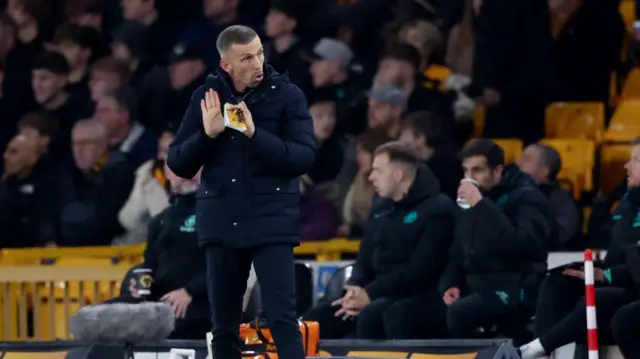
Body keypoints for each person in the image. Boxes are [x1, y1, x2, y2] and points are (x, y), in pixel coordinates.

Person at [167, 25, 315, 359]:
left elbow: (303, 157)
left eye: (260, 52)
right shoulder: (206, 98)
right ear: (227, 65)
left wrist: (254, 133)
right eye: (246, 58)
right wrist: (208, 135)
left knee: (282, 320)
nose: (258, 63)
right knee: (223, 326)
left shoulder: (288, 95)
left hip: (271, 220)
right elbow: (178, 163)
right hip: (221, 219)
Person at [304, 141, 455, 339]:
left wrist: (370, 294)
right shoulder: (380, 208)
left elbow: (420, 269)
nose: (371, 176)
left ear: (398, 174)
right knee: (314, 321)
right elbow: (364, 258)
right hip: (374, 292)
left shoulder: (438, 208)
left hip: (416, 294)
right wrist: (354, 287)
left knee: (376, 314)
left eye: (378, 171)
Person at [521, 138, 640, 359]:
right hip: (620, 273)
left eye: (635, 160)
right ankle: (538, 351)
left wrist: (606, 275)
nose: (627, 166)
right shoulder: (629, 198)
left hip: (632, 282)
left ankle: (534, 349)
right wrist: (598, 270)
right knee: (559, 279)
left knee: (600, 298)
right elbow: (616, 248)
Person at [441, 139, 552, 343]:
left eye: (477, 170)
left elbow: (523, 243)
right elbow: (458, 251)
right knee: (413, 311)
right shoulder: (471, 203)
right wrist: (452, 284)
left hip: (517, 287)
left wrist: (482, 205)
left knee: (461, 313)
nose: (469, 178)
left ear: (498, 170)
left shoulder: (527, 198)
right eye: (465, 171)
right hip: (477, 286)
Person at [104, 165, 210, 339]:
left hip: (201, 305)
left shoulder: (217, 213)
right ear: (167, 173)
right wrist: (138, 286)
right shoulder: (160, 221)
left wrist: (189, 291)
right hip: (161, 305)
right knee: (100, 315)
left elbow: (226, 263)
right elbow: (149, 266)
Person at [518, 143, 580, 250]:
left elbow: (560, 237)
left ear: (544, 171)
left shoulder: (561, 201)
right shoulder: (510, 194)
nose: (519, 163)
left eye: (527, 159)